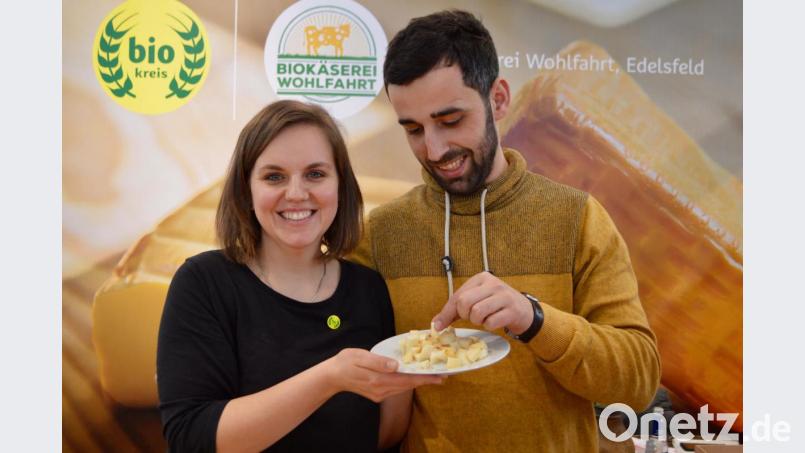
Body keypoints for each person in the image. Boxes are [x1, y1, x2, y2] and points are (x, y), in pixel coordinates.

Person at [350, 10, 662, 452]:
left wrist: (534, 319)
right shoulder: (381, 234)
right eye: (414, 129)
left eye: (450, 120)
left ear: (498, 100)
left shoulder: (576, 219)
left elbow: (638, 381)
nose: (434, 149)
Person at [156, 100, 444, 452]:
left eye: (315, 174)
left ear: (340, 186)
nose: (295, 194)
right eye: (274, 176)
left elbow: (384, 435)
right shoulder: (204, 283)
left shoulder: (369, 289)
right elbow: (190, 440)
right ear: (246, 190)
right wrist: (329, 378)